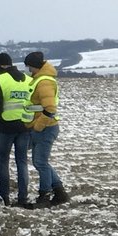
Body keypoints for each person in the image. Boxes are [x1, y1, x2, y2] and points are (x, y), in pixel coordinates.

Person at [24, 51, 69, 207]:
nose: (29, 70)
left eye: (30, 67)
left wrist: (38, 126)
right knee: (40, 162)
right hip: (44, 128)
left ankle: (44, 197)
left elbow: (49, 108)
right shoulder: (41, 80)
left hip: (46, 129)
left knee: (41, 162)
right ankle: (59, 192)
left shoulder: (44, 82)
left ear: (35, 66)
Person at [0, 52, 33, 207]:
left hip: (6, 127)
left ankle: (5, 197)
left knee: (3, 162)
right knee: (22, 162)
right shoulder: (28, 80)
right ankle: (23, 198)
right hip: (25, 126)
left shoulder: (0, 80)